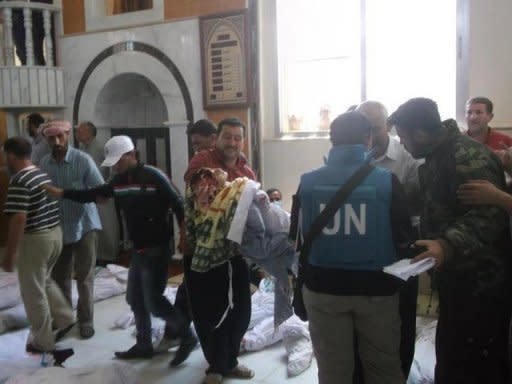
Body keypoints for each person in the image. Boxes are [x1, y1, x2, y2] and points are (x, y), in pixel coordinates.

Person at [44, 135, 197, 365]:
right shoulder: (119, 181)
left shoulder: (153, 176)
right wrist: (63, 193)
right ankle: (144, 344)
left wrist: (184, 236)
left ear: (132, 154)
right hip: (138, 249)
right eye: (113, 162)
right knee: (135, 298)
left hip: (156, 248)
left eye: (119, 160)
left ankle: (186, 336)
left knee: (154, 301)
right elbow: (93, 195)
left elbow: (179, 204)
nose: (116, 165)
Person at [389, 97, 511, 383]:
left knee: (478, 362)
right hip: (458, 279)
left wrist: (446, 245)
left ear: (419, 134)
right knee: (453, 354)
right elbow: (431, 200)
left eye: (404, 138)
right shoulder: (438, 156)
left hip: (482, 283)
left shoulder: (467, 158)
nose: (403, 145)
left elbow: (487, 217)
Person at [291, 111, 414, 384]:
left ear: (331, 140)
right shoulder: (386, 181)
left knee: (334, 372)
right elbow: (404, 240)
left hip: (323, 291)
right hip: (377, 291)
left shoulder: (307, 182)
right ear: (367, 138)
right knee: (383, 368)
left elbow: (297, 238)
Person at [184, 117, 256, 384]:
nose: (233, 142)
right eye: (228, 137)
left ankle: (230, 361)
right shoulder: (202, 162)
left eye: (238, 138)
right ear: (217, 139)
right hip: (201, 253)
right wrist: (227, 187)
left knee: (240, 310)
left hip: (234, 254)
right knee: (208, 311)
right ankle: (216, 366)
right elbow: (197, 190)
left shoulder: (247, 172)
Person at [357, 100, 422, 379]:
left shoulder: (408, 157)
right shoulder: (353, 153)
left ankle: (401, 372)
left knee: (402, 315)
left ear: (389, 127)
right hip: (363, 244)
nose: (369, 136)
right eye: (364, 129)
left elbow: (419, 205)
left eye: (375, 128)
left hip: (401, 246)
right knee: (365, 316)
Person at [2, 137, 75, 363]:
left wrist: (10, 253)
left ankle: (43, 342)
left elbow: (19, 218)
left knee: (32, 292)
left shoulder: (20, 180)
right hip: (55, 234)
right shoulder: (40, 173)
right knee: (44, 281)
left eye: (4, 155)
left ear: (11, 156)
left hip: (36, 239)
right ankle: (64, 317)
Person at [39, 120, 104, 339]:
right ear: (46, 139)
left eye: (60, 137)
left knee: (84, 278)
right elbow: (42, 197)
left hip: (85, 226)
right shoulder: (44, 164)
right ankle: (65, 321)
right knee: (60, 278)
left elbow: (100, 191)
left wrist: (73, 193)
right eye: (51, 138)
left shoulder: (83, 160)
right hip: (58, 228)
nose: (56, 142)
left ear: (68, 136)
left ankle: (86, 321)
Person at [11, 0, 53, 66]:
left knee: (33, 52)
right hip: (20, 13)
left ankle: (38, 71)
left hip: (37, 12)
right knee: (26, 52)